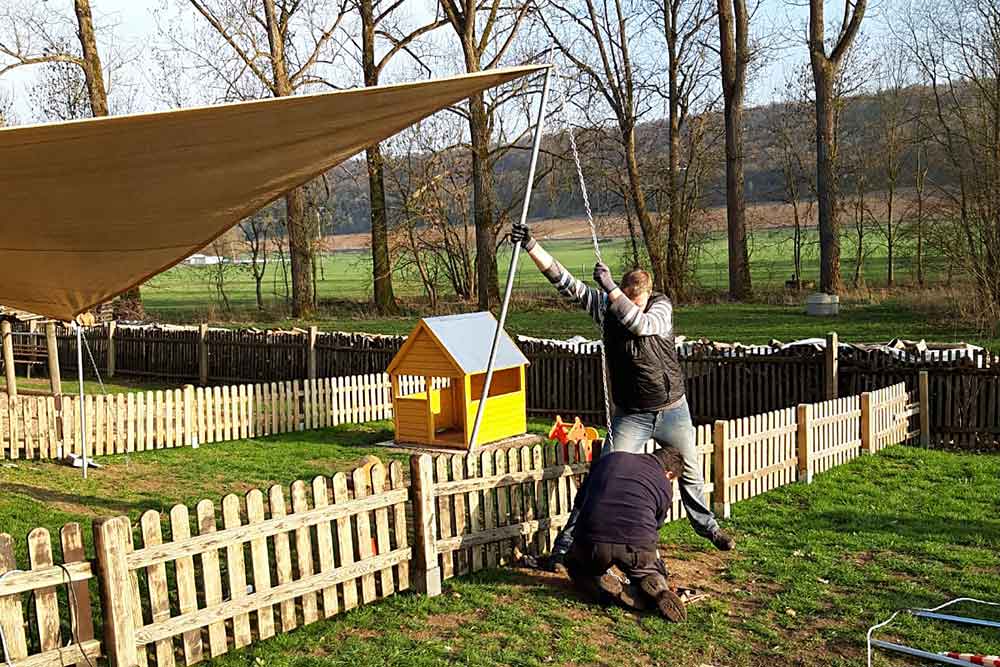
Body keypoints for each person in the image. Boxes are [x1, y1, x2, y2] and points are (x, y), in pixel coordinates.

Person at [510, 221, 734, 558]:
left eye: (636, 301)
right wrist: (531, 246)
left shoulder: (661, 308)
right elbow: (565, 283)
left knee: (691, 473)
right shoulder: (607, 307)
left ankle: (709, 528)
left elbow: (641, 326)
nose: (631, 307)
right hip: (632, 415)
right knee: (603, 477)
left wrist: (612, 290)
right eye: (627, 300)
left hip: (673, 409)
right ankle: (566, 548)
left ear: (648, 294)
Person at [565, 446, 688, 622]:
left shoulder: (611, 459)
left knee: (576, 565)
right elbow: (656, 524)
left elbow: (580, 502)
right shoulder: (663, 485)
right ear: (669, 474)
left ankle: (601, 587)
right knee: (647, 569)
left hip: (592, 539)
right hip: (636, 544)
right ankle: (656, 585)